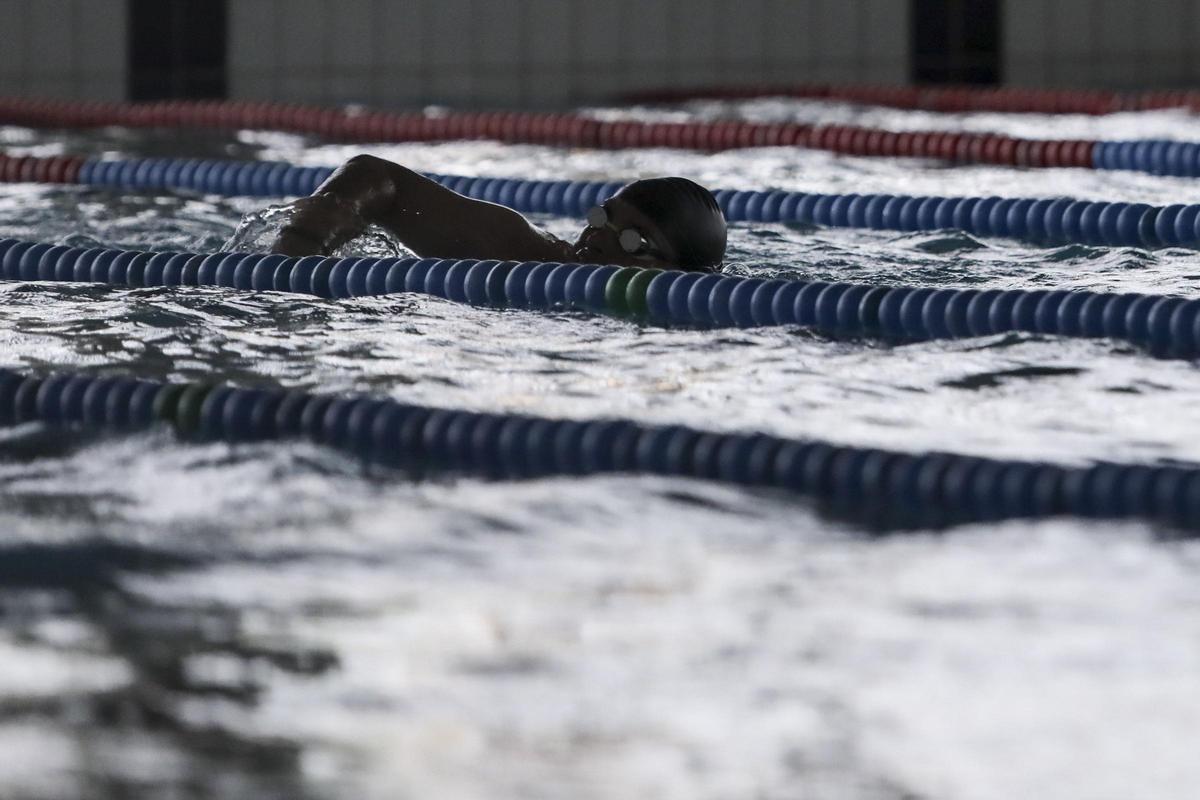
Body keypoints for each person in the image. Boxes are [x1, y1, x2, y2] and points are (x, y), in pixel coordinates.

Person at [269, 154, 726, 272]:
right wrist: (293, 257)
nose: (598, 237)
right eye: (603, 218)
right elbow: (375, 177)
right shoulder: (524, 254)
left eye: (634, 240)